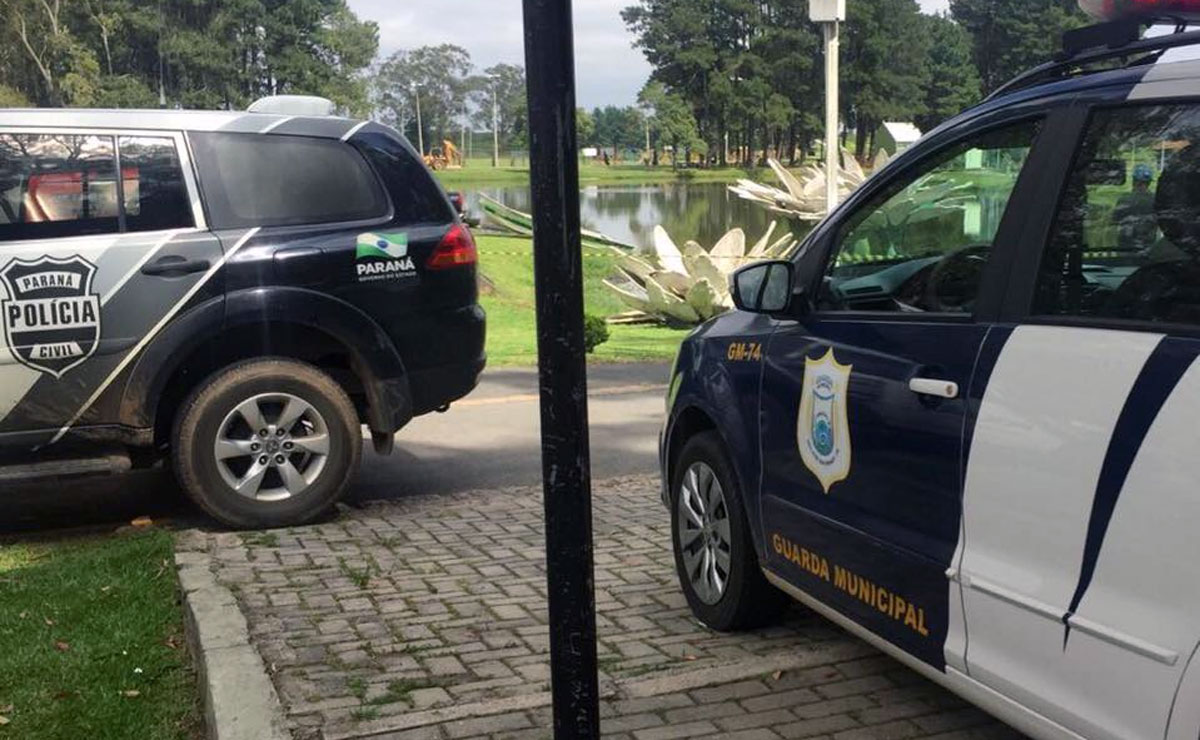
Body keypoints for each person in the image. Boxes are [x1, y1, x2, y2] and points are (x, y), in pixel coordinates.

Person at [1113, 163, 1158, 251]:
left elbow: (1114, 220)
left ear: (1134, 181)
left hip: (1126, 246)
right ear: (1149, 182)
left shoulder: (1124, 199)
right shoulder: (1156, 200)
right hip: (1148, 246)